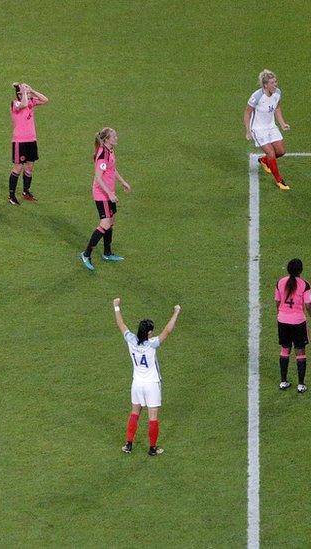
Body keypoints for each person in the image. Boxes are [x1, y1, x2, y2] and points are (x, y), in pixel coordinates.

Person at [113, 297, 181, 456]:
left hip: (137, 383)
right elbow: (168, 331)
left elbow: (121, 325)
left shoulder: (131, 340)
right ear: (149, 332)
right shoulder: (152, 344)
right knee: (152, 418)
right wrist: (176, 312)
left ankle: (128, 444)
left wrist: (116, 307)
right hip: (151, 384)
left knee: (135, 413)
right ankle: (152, 448)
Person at [80, 128, 131, 270]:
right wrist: (109, 194)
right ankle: (86, 254)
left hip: (109, 192)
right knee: (105, 223)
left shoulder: (111, 150)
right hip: (101, 193)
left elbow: (112, 169)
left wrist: (122, 182)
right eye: (113, 136)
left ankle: (107, 253)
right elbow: (98, 177)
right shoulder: (103, 154)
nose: (116, 137)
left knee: (111, 221)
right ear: (107, 139)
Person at [275, 259, 311, 393]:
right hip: (298, 322)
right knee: (300, 351)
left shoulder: (280, 282)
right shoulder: (304, 285)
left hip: (282, 320)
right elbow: (309, 305)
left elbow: (277, 301)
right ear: (300, 270)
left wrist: (282, 313)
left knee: (285, 349)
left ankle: (283, 381)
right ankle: (301, 384)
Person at [245, 69, 291, 191]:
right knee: (271, 153)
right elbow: (247, 113)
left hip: (271, 126)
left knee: (281, 151)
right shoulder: (257, 97)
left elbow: (277, 108)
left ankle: (264, 161)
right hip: (258, 129)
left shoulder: (277, 93)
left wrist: (282, 123)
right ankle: (279, 180)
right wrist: (248, 131)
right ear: (265, 85)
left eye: (275, 82)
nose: (275, 85)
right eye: (272, 83)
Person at [8, 82, 48, 205]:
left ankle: (26, 192)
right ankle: (11, 196)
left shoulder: (31, 102)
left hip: (31, 140)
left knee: (30, 167)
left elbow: (45, 100)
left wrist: (32, 90)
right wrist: (25, 92)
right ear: (19, 94)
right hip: (20, 141)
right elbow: (24, 104)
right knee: (18, 168)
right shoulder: (15, 103)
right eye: (24, 91)